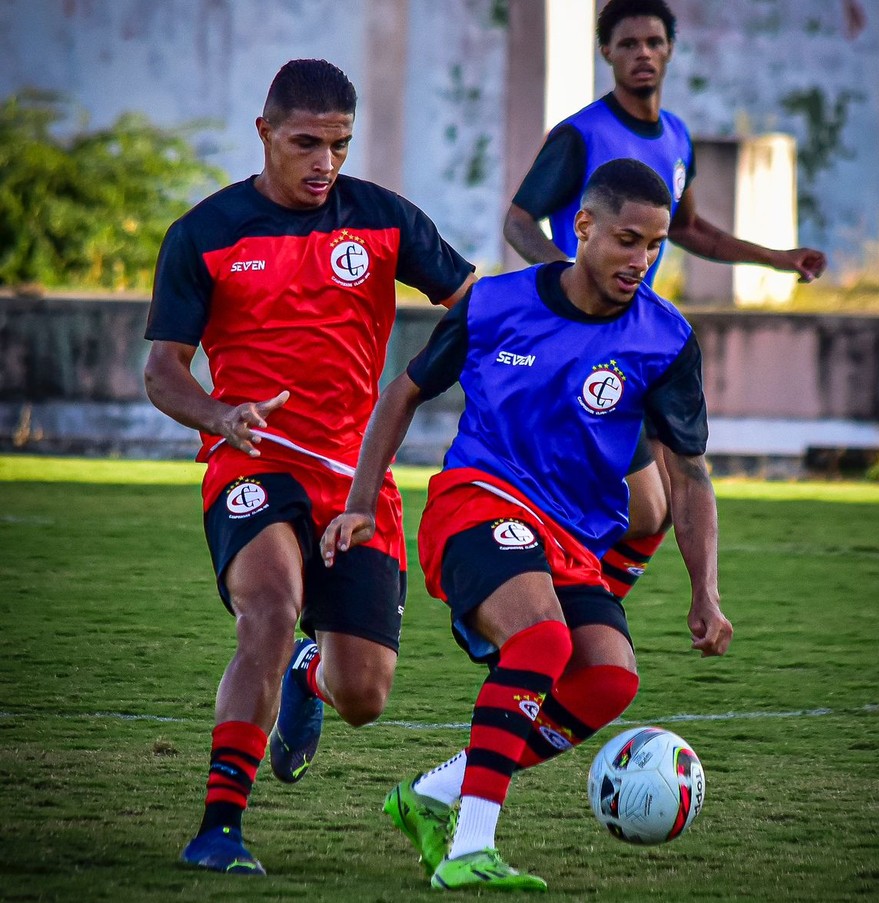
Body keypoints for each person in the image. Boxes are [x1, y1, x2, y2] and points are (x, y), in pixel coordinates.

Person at [322, 159, 733, 892]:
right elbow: (403, 392)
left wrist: (706, 590)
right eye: (627, 240)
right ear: (583, 227)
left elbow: (689, 474)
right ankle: (470, 847)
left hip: (572, 539)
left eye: (655, 245)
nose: (641, 261)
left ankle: (431, 795)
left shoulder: (665, 339)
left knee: (607, 677)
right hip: (476, 502)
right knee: (543, 640)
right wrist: (358, 500)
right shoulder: (494, 304)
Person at [143, 58, 474, 876]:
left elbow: (477, 304)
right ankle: (220, 824)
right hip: (250, 462)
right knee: (270, 605)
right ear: (265, 133)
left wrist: (426, 378)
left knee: (364, 694)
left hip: (356, 480)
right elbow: (163, 370)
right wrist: (220, 415)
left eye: (339, 144)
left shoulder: (386, 221)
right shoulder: (205, 233)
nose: (325, 162)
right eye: (306, 143)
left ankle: (310, 674)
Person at [503, 0, 828, 603]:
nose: (643, 54)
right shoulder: (580, 135)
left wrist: (778, 259)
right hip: (582, 340)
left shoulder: (677, 136)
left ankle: (577, 608)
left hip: (640, 340)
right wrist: (569, 285)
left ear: (671, 49)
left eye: (654, 41)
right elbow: (520, 222)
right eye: (628, 44)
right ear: (607, 53)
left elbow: (690, 230)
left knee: (653, 507)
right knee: (644, 501)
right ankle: (549, 600)